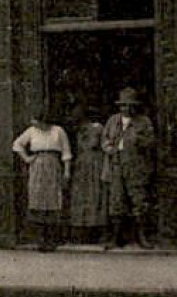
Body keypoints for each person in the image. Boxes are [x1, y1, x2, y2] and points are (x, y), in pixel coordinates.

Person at [102, 87, 156, 248]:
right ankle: (115, 238)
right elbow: (104, 139)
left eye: (130, 105)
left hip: (136, 166)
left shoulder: (144, 122)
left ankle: (141, 237)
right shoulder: (113, 121)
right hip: (116, 165)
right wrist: (109, 148)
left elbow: (151, 141)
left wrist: (137, 140)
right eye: (123, 105)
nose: (126, 108)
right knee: (116, 201)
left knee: (139, 201)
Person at [12, 112, 71, 251]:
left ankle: (53, 239)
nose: (34, 123)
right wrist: (27, 158)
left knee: (53, 201)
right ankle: (40, 239)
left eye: (37, 121)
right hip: (37, 165)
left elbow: (66, 152)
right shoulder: (32, 131)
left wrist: (67, 171)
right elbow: (17, 144)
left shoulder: (58, 131)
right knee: (38, 200)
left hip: (53, 165)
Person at [66, 106, 109, 245]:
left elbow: (103, 146)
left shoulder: (98, 128)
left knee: (95, 196)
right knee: (80, 197)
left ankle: (96, 230)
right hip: (81, 166)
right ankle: (81, 231)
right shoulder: (77, 131)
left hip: (95, 165)